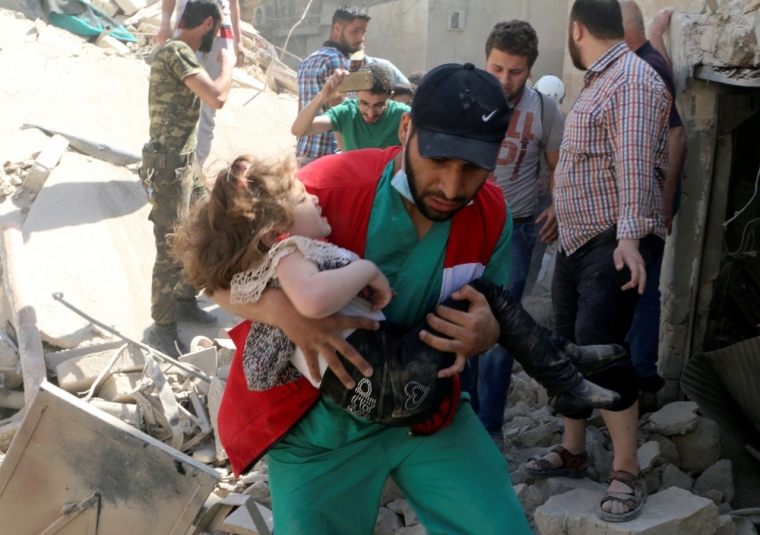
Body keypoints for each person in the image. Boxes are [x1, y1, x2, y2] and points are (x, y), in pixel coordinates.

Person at [207, 62, 530, 535]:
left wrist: (488, 332)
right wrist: (287, 313)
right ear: (405, 128)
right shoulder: (319, 192)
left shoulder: (492, 216)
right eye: (438, 160)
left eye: (472, 168)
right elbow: (210, 276)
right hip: (319, 430)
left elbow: (492, 304)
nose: (452, 187)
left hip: (426, 412)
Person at [173, 155, 623, 420]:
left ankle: (562, 360)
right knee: (488, 296)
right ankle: (562, 367)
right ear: (276, 230)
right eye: (300, 199)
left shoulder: (271, 262)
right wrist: (367, 269)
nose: (312, 196)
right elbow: (310, 300)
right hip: (388, 378)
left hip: (378, 382)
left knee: (487, 303)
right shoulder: (288, 254)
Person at [525, 0, 670, 523]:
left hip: (612, 241)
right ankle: (574, 449)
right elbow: (596, 163)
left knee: (602, 353)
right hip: (582, 239)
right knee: (569, 349)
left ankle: (627, 471)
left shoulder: (628, 79)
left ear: (576, 28)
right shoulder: (603, 78)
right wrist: (562, 211)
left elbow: (632, 164)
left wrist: (628, 238)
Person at [463, 20, 565, 445]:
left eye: (515, 71)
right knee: (455, 321)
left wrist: (558, 204)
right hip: (464, 228)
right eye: (497, 68)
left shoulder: (544, 109)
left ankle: (489, 429)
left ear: (530, 69)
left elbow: (559, 167)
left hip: (516, 233)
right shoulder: (465, 99)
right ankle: (457, 419)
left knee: (501, 331)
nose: (504, 80)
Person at [140, 0, 234, 357]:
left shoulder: (181, 53)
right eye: (218, 30)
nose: (217, 40)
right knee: (170, 248)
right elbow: (217, 96)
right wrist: (228, 66)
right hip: (167, 168)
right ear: (208, 23)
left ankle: (182, 298)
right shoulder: (178, 50)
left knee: (205, 228)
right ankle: (161, 327)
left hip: (184, 164)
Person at [619, 0, 687, 396]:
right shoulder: (647, 55)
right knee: (634, 283)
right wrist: (659, 36)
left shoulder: (643, 66)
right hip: (646, 195)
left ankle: (641, 377)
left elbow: (678, 134)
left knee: (641, 288)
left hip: (651, 197)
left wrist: (665, 199)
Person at [156, 0, 243, 171]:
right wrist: (164, 23)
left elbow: (234, 3)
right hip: (190, 19)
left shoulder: (218, 27)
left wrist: (238, 40)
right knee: (181, 96)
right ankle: (169, 164)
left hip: (220, 25)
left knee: (208, 109)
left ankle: (196, 168)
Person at [296, 6, 370, 166]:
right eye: (355, 31)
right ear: (337, 27)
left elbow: (301, 114)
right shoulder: (337, 61)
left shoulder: (308, 61)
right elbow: (339, 119)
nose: (361, 38)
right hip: (327, 159)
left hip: (302, 155)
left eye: (363, 32)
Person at [292, 63, 409, 152]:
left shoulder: (403, 115)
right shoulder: (346, 113)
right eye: (364, 103)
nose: (370, 113)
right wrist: (323, 96)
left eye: (379, 105)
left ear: (390, 96)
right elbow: (299, 130)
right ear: (356, 93)